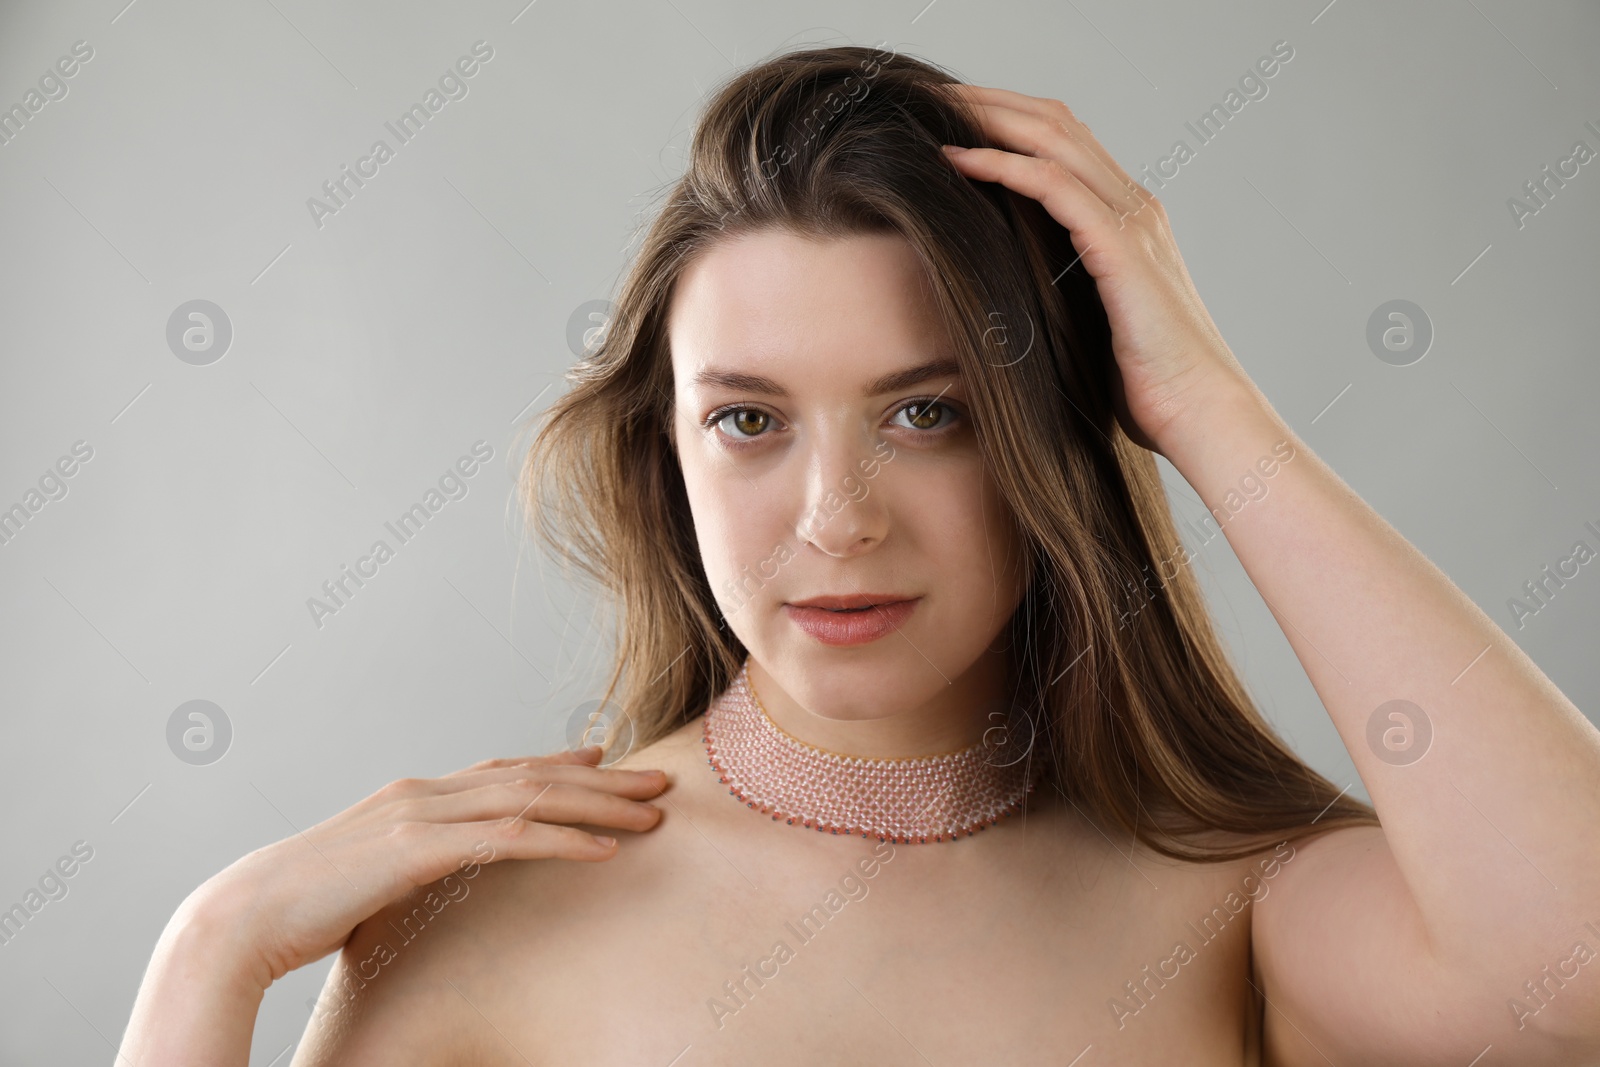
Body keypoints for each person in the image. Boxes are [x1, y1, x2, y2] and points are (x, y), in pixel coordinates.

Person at [119, 45, 1600, 1066]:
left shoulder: (1231, 901)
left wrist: (1209, 408)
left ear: (1057, 438)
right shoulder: (491, 911)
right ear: (667, 453)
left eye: (930, 411)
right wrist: (212, 951)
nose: (837, 516)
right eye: (749, 419)